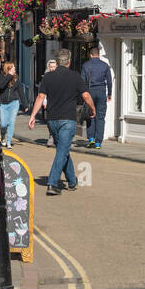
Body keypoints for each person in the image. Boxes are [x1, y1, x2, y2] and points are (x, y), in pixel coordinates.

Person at [29, 49, 94, 196]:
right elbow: (86, 95)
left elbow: (40, 97)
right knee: (62, 151)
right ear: (69, 61)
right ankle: (52, 183)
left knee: (63, 151)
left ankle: (72, 181)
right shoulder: (75, 76)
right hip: (68, 120)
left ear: (57, 62)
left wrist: (33, 115)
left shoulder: (48, 77)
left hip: (52, 120)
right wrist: (93, 108)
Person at [81, 44, 112, 150]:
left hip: (90, 92)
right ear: (99, 55)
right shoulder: (105, 65)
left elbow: (82, 81)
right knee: (100, 117)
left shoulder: (86, 65)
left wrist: (83, 94)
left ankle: (91, 138)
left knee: (91, 114)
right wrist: (110, 93)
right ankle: (98, 142)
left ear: (90, 55)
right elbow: (109, 81)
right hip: (101, 91)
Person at [0, 62, 21, 147]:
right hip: (4, 104)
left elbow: (20, 91)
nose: (15, 69)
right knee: (3, 124)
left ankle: (9, 141)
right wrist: (9, 75)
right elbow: (0, 86)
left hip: (14, 103)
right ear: (8, 68)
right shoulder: (1, 76)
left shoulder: (16, 77)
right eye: (13, 67)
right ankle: (3, 136)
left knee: (11, 122)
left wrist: (25, 105)